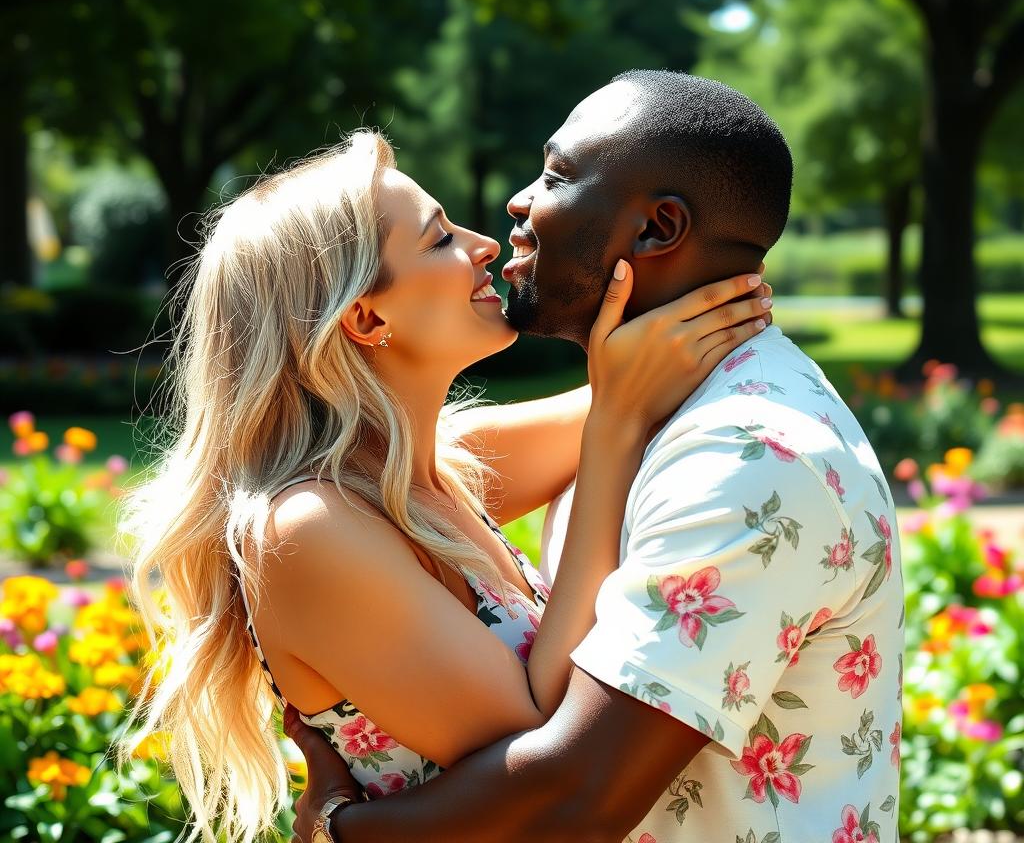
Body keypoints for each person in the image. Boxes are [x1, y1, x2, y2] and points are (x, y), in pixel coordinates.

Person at [285, 71, 905, 843]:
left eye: (557, 175)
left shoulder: (746, 462)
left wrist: (340, 828)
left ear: (656, 230)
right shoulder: (642, 413)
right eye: (439, 237)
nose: (513, 207)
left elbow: (573, 802)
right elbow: (371, 475)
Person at [117, 127, 771, 843]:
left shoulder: (429, 472)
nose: (484, 244)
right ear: (366, 317)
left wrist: (689, 289)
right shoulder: (306, 530)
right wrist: (616, 427)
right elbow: (549, 757)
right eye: (438, 239)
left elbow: (643, 381)